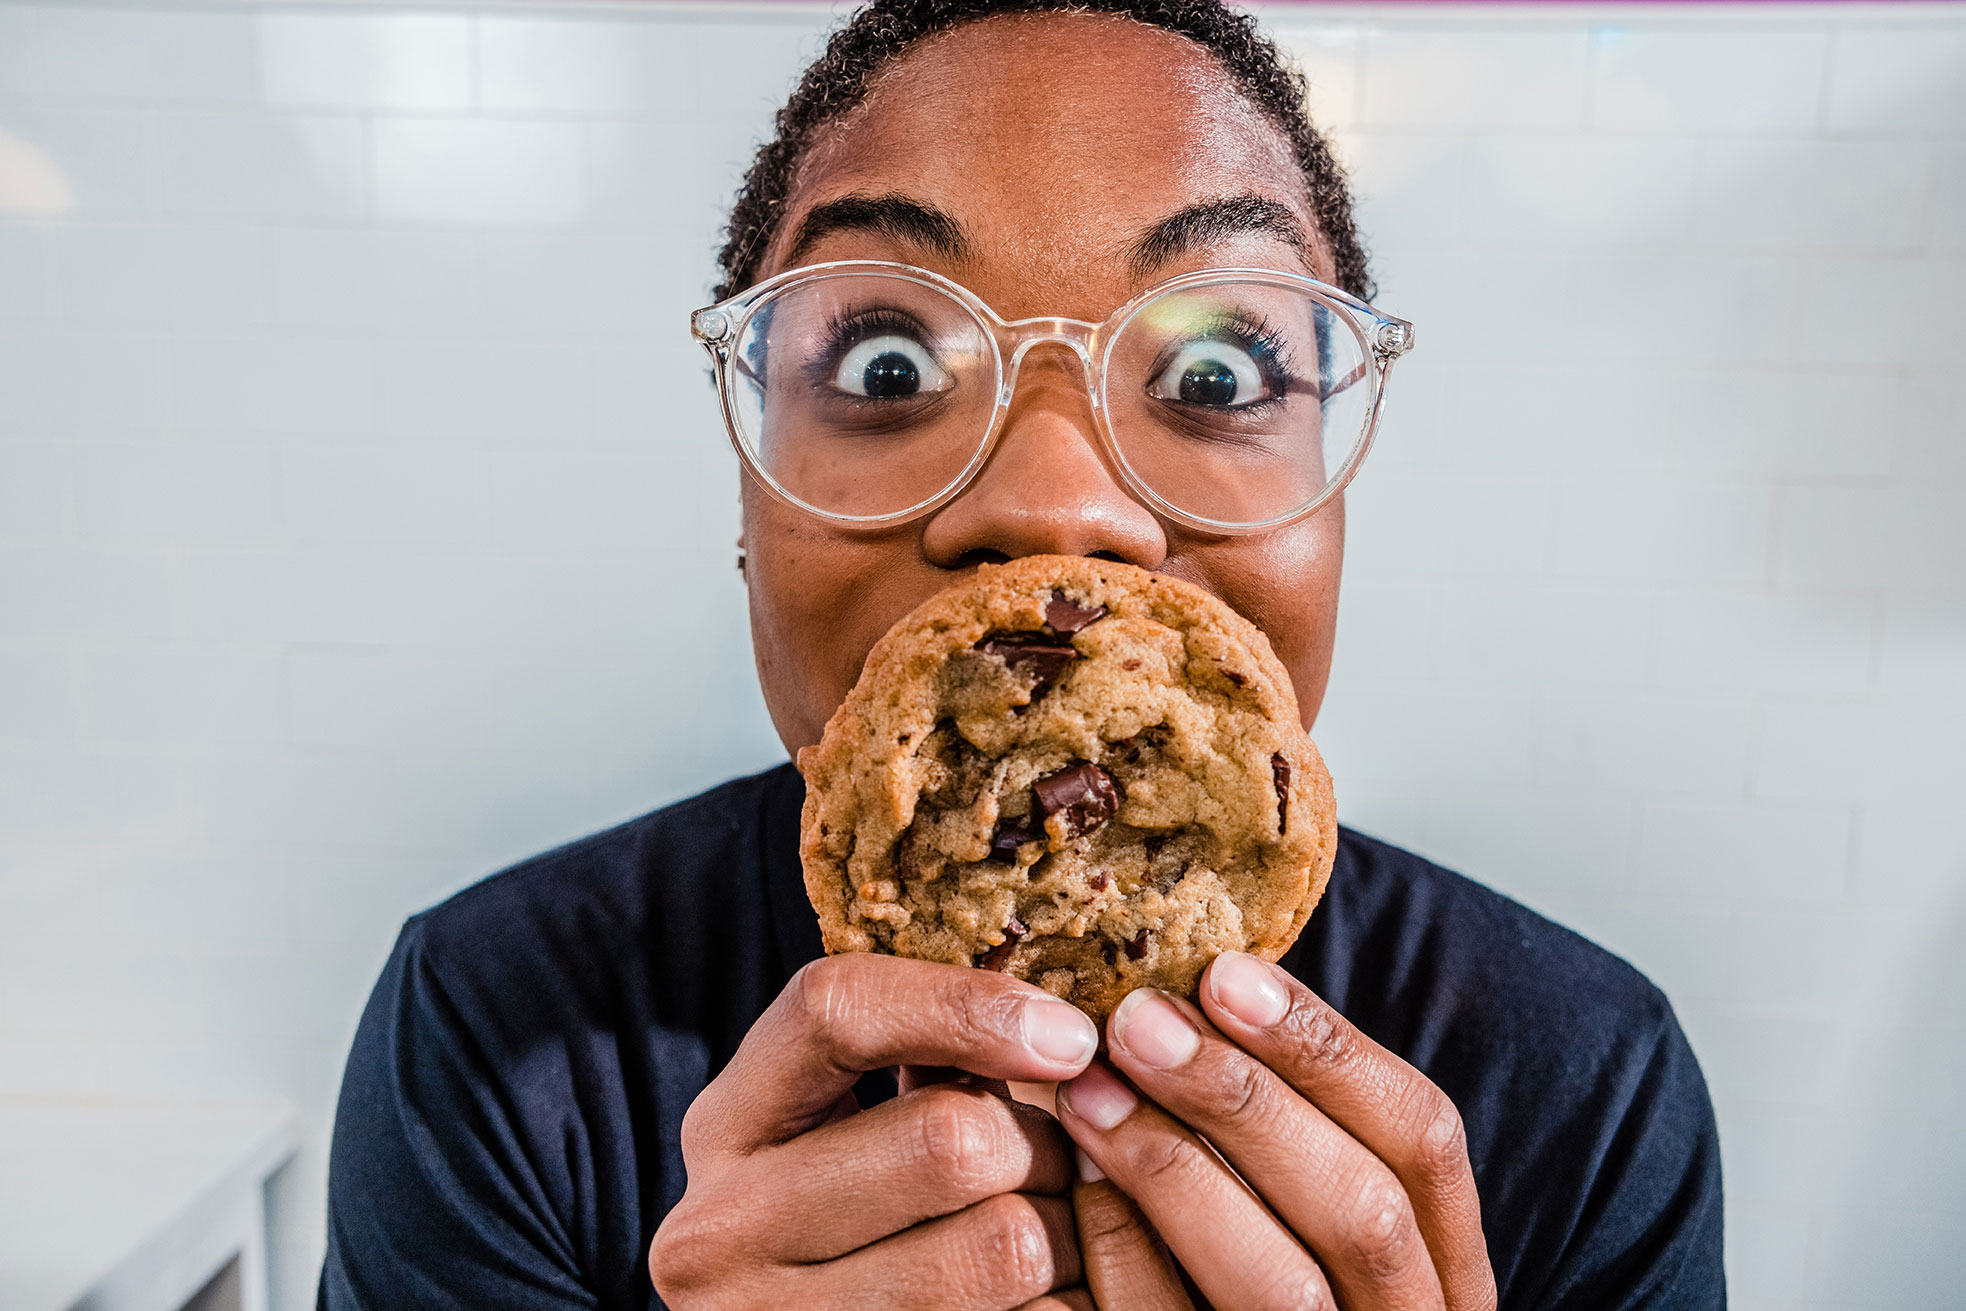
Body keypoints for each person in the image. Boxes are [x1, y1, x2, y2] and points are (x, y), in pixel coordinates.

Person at [320, 2, 1724, 1308]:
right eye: (885, 363)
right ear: (746, 492)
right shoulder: (496, 1038)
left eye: (1214, 373)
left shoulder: (1578, 1086)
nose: (1054, 505)